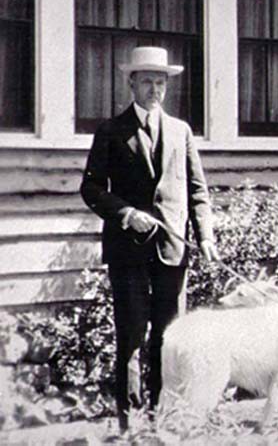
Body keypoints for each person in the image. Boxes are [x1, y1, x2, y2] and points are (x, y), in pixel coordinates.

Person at [80, 46, 218, 431]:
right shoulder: (111, 131)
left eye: (161, 82)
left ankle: (162, 419)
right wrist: (125, 213)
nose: (155, 89)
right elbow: (91, 188)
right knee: (131, 337)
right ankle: (129, 425)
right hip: (128, 253)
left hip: (173, 253)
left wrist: (205, 236)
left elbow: (198, 191)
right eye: (147, 82)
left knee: (168, 339)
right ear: (131, 84)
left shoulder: (181, 132)